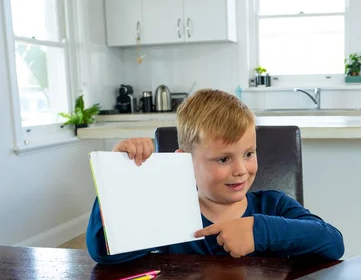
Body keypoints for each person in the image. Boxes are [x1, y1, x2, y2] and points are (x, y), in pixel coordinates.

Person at [86, 89, 344, 264]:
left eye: (249, 153)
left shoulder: (274, 205)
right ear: (184, 161)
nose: (241, 169)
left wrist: (260, 231)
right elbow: (104, 252)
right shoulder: (169, 216)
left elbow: (333, 242)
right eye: (223, 159)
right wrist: (119, 179)